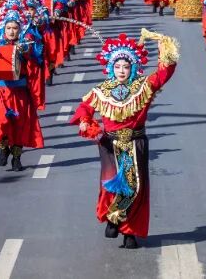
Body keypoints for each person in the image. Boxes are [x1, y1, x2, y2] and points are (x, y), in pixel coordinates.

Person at [71, 30, 178, 250]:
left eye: (126, 67)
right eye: (118, 66)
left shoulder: (143, 87)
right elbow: (84, 109)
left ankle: (129, 231)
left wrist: (164, 45)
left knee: (135, 187)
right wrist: (85, 122)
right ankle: (113, 218)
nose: (121, 70)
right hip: (109, 145)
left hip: (135, 143)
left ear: (133, 68)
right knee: (112, 186)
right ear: (111, 67)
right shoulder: (101, 91)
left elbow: (165, 72)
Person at [0, 9, 44, 172]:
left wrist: (25, 51)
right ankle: (3, 147)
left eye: (15, 28)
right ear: (4, 29)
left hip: (20, 93)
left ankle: (17, 158)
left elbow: (34, 55)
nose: (11, 31)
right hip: (2, 92)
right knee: (1, 122)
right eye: (8, 28)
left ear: (19, 29)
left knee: (19, 125)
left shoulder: (25, 44)